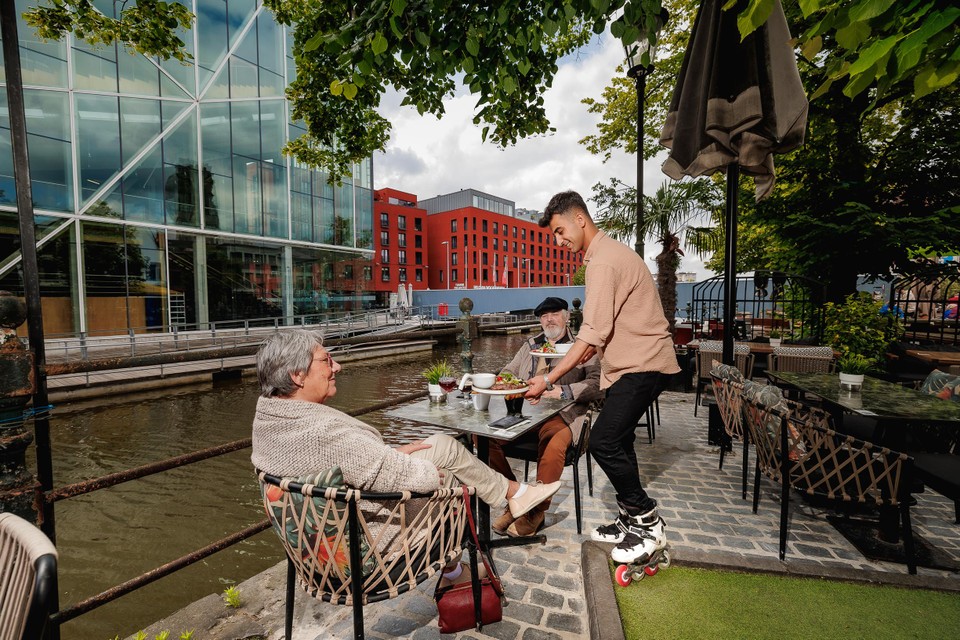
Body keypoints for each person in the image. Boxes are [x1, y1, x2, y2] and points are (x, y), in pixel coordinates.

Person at [251, 329, 560, 584]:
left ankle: (512, 495)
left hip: (316, 546)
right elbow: (390, 472)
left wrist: (390, 453)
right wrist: (425, 472)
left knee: (438, 445)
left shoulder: (271, 422)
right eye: (326, 360)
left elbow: (344, 461)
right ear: (297, 375)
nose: (336, 367)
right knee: (450, 477)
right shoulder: (322, 430)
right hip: (371, 546)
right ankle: (459, 567)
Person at [524, 191, 680, 565]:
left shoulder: (603, 262)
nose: (559, 241)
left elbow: (592, 332)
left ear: (580, 219)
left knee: (605, 442)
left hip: (643, 364)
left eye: (561, 232)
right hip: (634, 365)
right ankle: (630, 519)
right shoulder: (605, 255)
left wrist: (547, 381)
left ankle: (648, 523)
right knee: (620, 440)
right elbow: (602, 330)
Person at [486, 296, 602, 537]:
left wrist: (563, 391)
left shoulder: (583, 346)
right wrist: (509, 383)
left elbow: (597, 384)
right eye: (544, 315)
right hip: (524, 415)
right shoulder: (530, 344)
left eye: (555, 313)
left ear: (567, 316)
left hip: (566, 414)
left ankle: (535, 512)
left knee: (554, 438)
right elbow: (508, 371)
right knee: (483, 440)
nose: (549, 319)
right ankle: (516, 498)